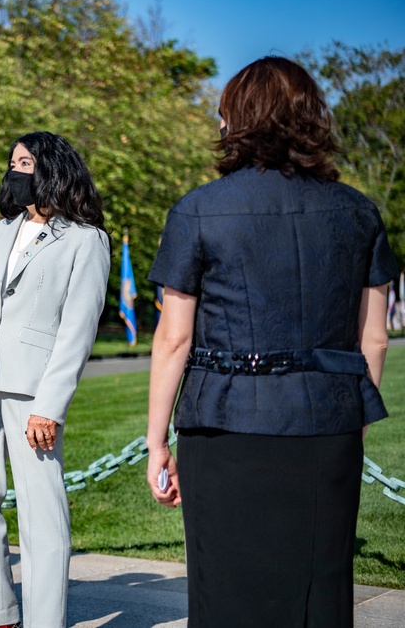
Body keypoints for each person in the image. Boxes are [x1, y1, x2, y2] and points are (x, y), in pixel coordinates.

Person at [146, 56, 396, 627]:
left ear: (235, 118)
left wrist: (156, 441)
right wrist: (348, 422)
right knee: (321, 594)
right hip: (326, 427)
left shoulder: (198, 210)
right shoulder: (359, 212)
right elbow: (373, 338)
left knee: (226, 594)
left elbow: (173, 338)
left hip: (224, 426)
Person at [0, 132, 111, 628]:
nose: (14, 171)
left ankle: (45, 620)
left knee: (42, 511)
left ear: (51, 170)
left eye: (24, 162)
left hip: (33, 393)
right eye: (11, 162)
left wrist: (50, 406)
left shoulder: (87, 239)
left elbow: (77, 331)